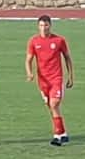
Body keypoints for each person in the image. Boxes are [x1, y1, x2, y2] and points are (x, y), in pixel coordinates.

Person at [25, 15, 74, 146]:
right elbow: (29, 59)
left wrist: (70, 76)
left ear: (50, 26)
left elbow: (67, 58)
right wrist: (30, 73)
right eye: (41, 25)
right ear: (38, 26)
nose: (43, 28)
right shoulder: (34, 41)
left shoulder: (59, 40)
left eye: (46, 25)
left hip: (56, 78)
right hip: (43, 81)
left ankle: (57, 135)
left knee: (54, 104)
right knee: (51, 107)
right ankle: (63, 133)